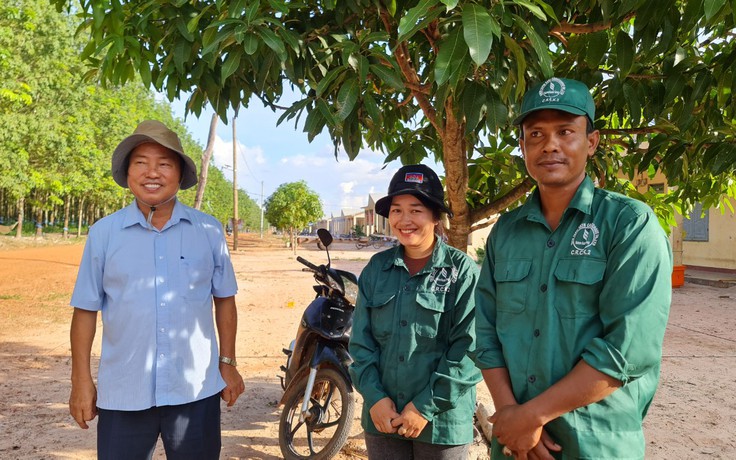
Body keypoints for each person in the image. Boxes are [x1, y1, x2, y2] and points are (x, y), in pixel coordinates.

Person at [471, 77, 672, 459]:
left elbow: (626, 349)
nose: (550, 144)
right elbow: (486, 331)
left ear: (591, 142)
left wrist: (532, 416)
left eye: (566, 131)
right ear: (523, 146)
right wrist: (513, 418)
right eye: (536, 134)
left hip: (596, 444)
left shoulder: (629, 226)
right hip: (515, 445)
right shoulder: (506, 232)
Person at [68, 120, 245, 460]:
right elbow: (85, 309)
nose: (152, 172)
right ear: (128, 172)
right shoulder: (103, 234)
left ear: (180, 173)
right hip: (123, 392)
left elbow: (224, 299)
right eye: (141, 162)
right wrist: (81, 381)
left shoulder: (208, 231)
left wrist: (228, 361)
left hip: (194, 389)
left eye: (164, 163)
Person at [349, 164, 482, 459]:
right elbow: (360, 343)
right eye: (396, 210)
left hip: (441, 424)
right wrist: (375, 397)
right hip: (383, 417)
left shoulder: (462, 272)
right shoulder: (376, 270)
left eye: (416, 210)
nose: (404, 220)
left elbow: (470, 349)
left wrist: (424, 406)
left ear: (435, 217)